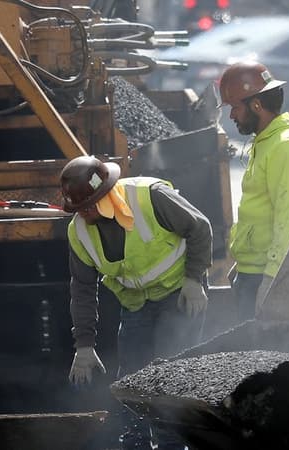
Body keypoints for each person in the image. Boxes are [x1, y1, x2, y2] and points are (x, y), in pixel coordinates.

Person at [61, 155, 212, 450]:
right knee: (132, 380)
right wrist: (84, 345)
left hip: (178, 295)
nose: (84, 214)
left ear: (104, 194)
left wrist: (194, 280)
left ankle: (173, 444)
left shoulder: (150, 197)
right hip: (136, 305)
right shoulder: (78, 232)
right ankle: (135, 442)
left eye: (87, 206)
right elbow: (82, 289)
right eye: (78, 209)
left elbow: (200, 227)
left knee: (171, 374)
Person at [219, 61, 289, 320]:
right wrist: (241, 262)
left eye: (235, 108)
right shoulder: (267, 142)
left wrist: (273, 281)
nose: (231, 116)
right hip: (253, 271)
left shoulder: (288, 147)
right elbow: (257, 209)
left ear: (256, 105)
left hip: (268, 275)